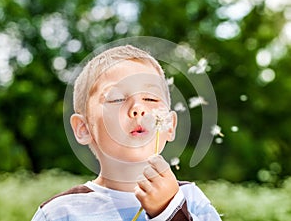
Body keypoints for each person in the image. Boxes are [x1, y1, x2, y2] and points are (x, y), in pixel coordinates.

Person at [32, 45, 222, 221]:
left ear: (170, 125)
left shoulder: (189, 199)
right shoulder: (60, 212)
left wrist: (170, 210)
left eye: (150, 98)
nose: (138, 108)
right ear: (84, 128)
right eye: (116, 99)